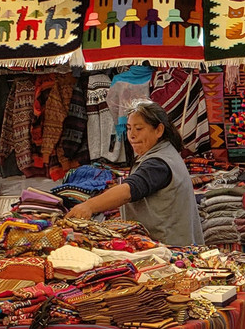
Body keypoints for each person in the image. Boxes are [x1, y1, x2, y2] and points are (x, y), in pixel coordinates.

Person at [65, 100, 204, 247]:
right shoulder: (163, 152)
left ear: (159, 130)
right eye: (129, 128)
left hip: (169, 248)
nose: (131, 135)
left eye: (138, 129)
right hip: (167, 243)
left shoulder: (159, 163)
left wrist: (89, 206)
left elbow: (129, 190)